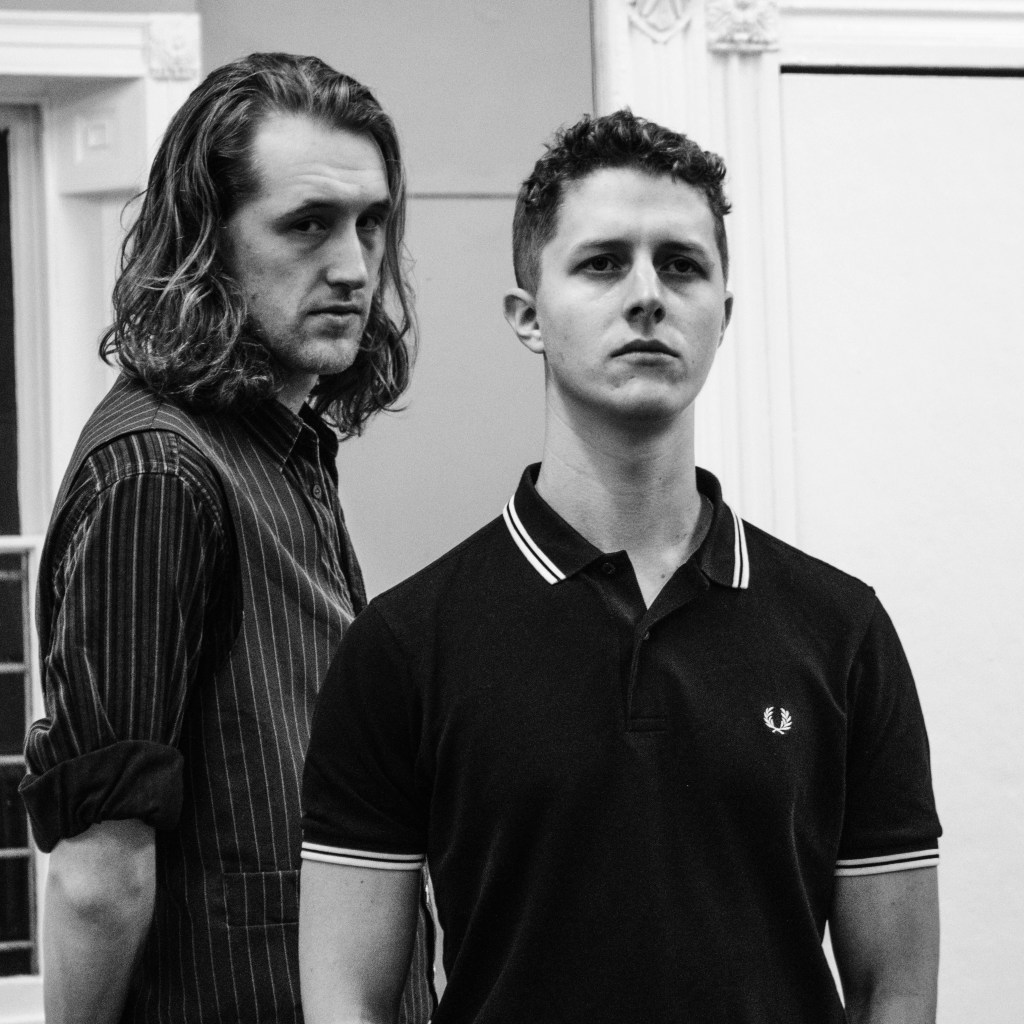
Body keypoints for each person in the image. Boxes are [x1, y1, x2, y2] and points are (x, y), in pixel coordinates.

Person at [299, 110, 941, 1023]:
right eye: (602, 264)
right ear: (529, 316)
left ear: (723, 314)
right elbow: (345, 996)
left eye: (681, 265)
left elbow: (896, 991)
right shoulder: (404, 645)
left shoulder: (844, 631)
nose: (647, 296)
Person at [20, 53, 434, 1024]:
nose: (353, 266)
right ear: (207, 240)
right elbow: (98, 876)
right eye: (307, 224)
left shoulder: (281, 451)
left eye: (371, 223)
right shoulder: (160, 473)